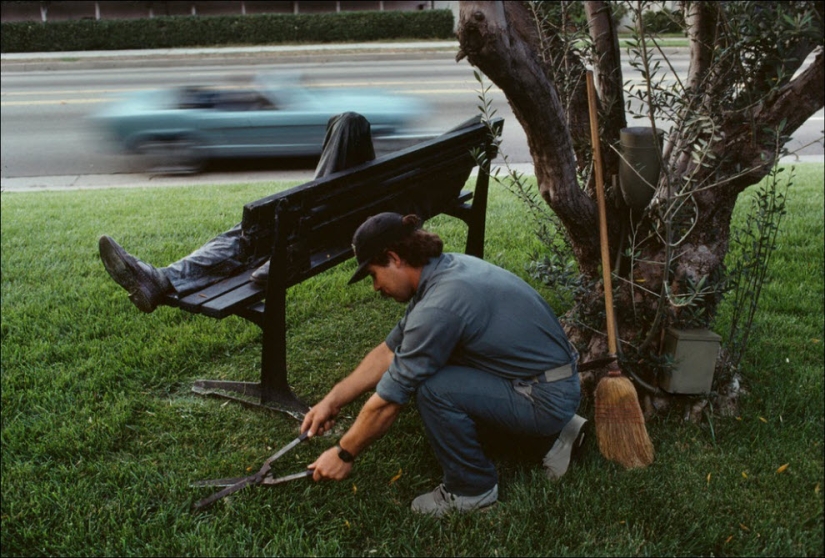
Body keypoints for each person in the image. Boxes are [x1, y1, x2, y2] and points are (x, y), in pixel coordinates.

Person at [302, 212, 588, 517]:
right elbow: (388, 353)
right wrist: (332, 401)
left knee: (432, 388)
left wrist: (344, 453)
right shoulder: (442, 270)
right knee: (431, 365)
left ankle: (472, 489)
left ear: (394, 258)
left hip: (545, 396)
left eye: (373, 274)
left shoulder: (441, 304)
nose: (375, 287)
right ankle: (553, 437)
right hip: (548, 381)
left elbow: (389, 402)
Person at [98, 112, 376, 312]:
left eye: (331, 141)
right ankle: (159, 279)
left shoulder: (332, 195)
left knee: (242, 238)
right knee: (246, 233)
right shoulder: (370, 186)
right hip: (321, 229)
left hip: (306, 239)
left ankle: (160, 278)